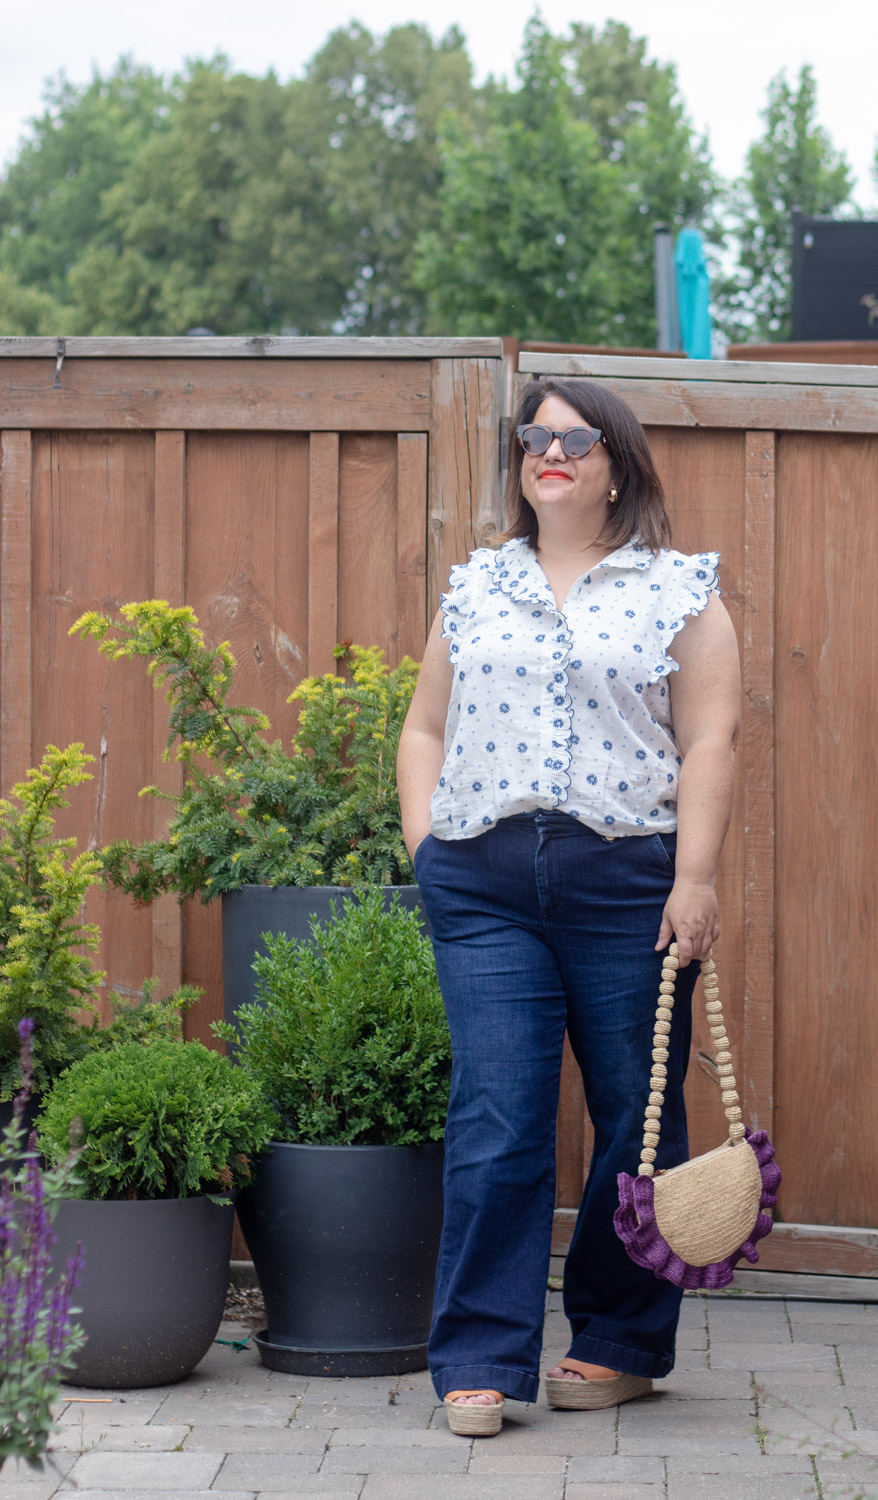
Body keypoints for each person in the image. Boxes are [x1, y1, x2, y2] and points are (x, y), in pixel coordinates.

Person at [396, 377, 740, 1438]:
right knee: (496, 1122)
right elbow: (421, 728)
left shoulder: (678, 591)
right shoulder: (476, 587)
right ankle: (481, 1360)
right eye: (532, 439)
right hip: (484, 881)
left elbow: (709, 745)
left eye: (573, 439)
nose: (549, 453)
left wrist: (692, 880)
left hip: (626, 884)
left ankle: (619, 1344)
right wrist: (426, 850)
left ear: (614, 461)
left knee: (636, 1123)